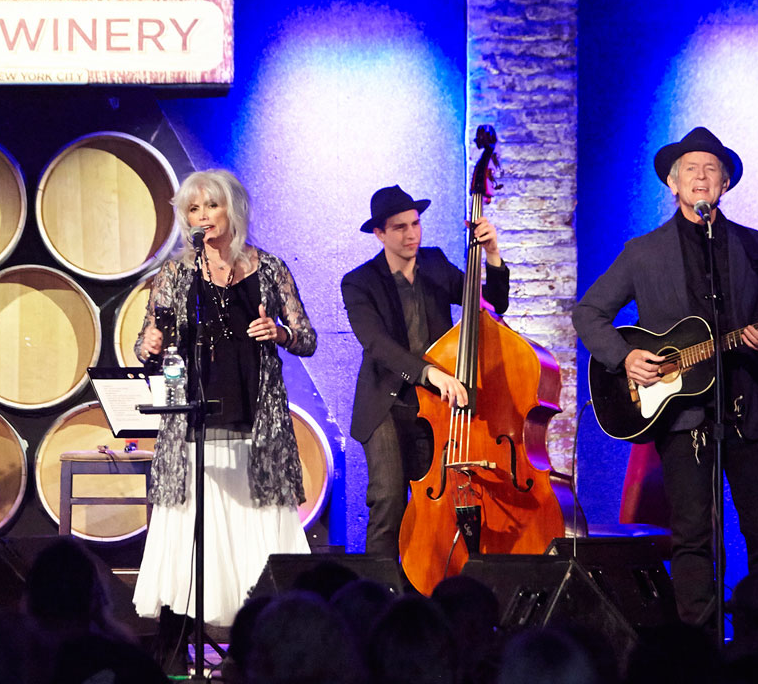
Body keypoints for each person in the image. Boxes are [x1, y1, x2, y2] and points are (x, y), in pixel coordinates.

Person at [572, 127, 758, 627]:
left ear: (725, 184)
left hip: (747, 409)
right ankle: (699, 645)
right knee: (692, 536)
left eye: (712, 169)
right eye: (691, 169)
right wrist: (625, 357)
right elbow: (589, 313)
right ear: (672, 183)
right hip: (683, 417)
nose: (701, 177)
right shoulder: (643, 252)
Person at [131, 169, 316, 627]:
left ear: (233, 209)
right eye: (193, 209)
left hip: (256, 420)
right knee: (200, 530)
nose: (203, 216)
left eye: (211, 205)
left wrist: (280, 332)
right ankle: (186, 639)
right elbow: (145, 343)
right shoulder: (176, 274)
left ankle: (263, 632)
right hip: (196, 422)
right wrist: (149, 344)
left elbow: (307, 338)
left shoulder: (269, 268)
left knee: (257, 525)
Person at [341, 185, 509, 562]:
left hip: (436, 408)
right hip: (386, 405)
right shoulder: (359, 282)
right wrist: (430, 373)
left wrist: (492, 254)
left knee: (434, 507)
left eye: (415, 224)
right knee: (388, 501)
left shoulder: (435, 264)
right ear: (379, 233)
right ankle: (380, 593)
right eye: (399, 227)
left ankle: (427, 589)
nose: (411, 234)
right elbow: (377, 344)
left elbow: (492, 304)